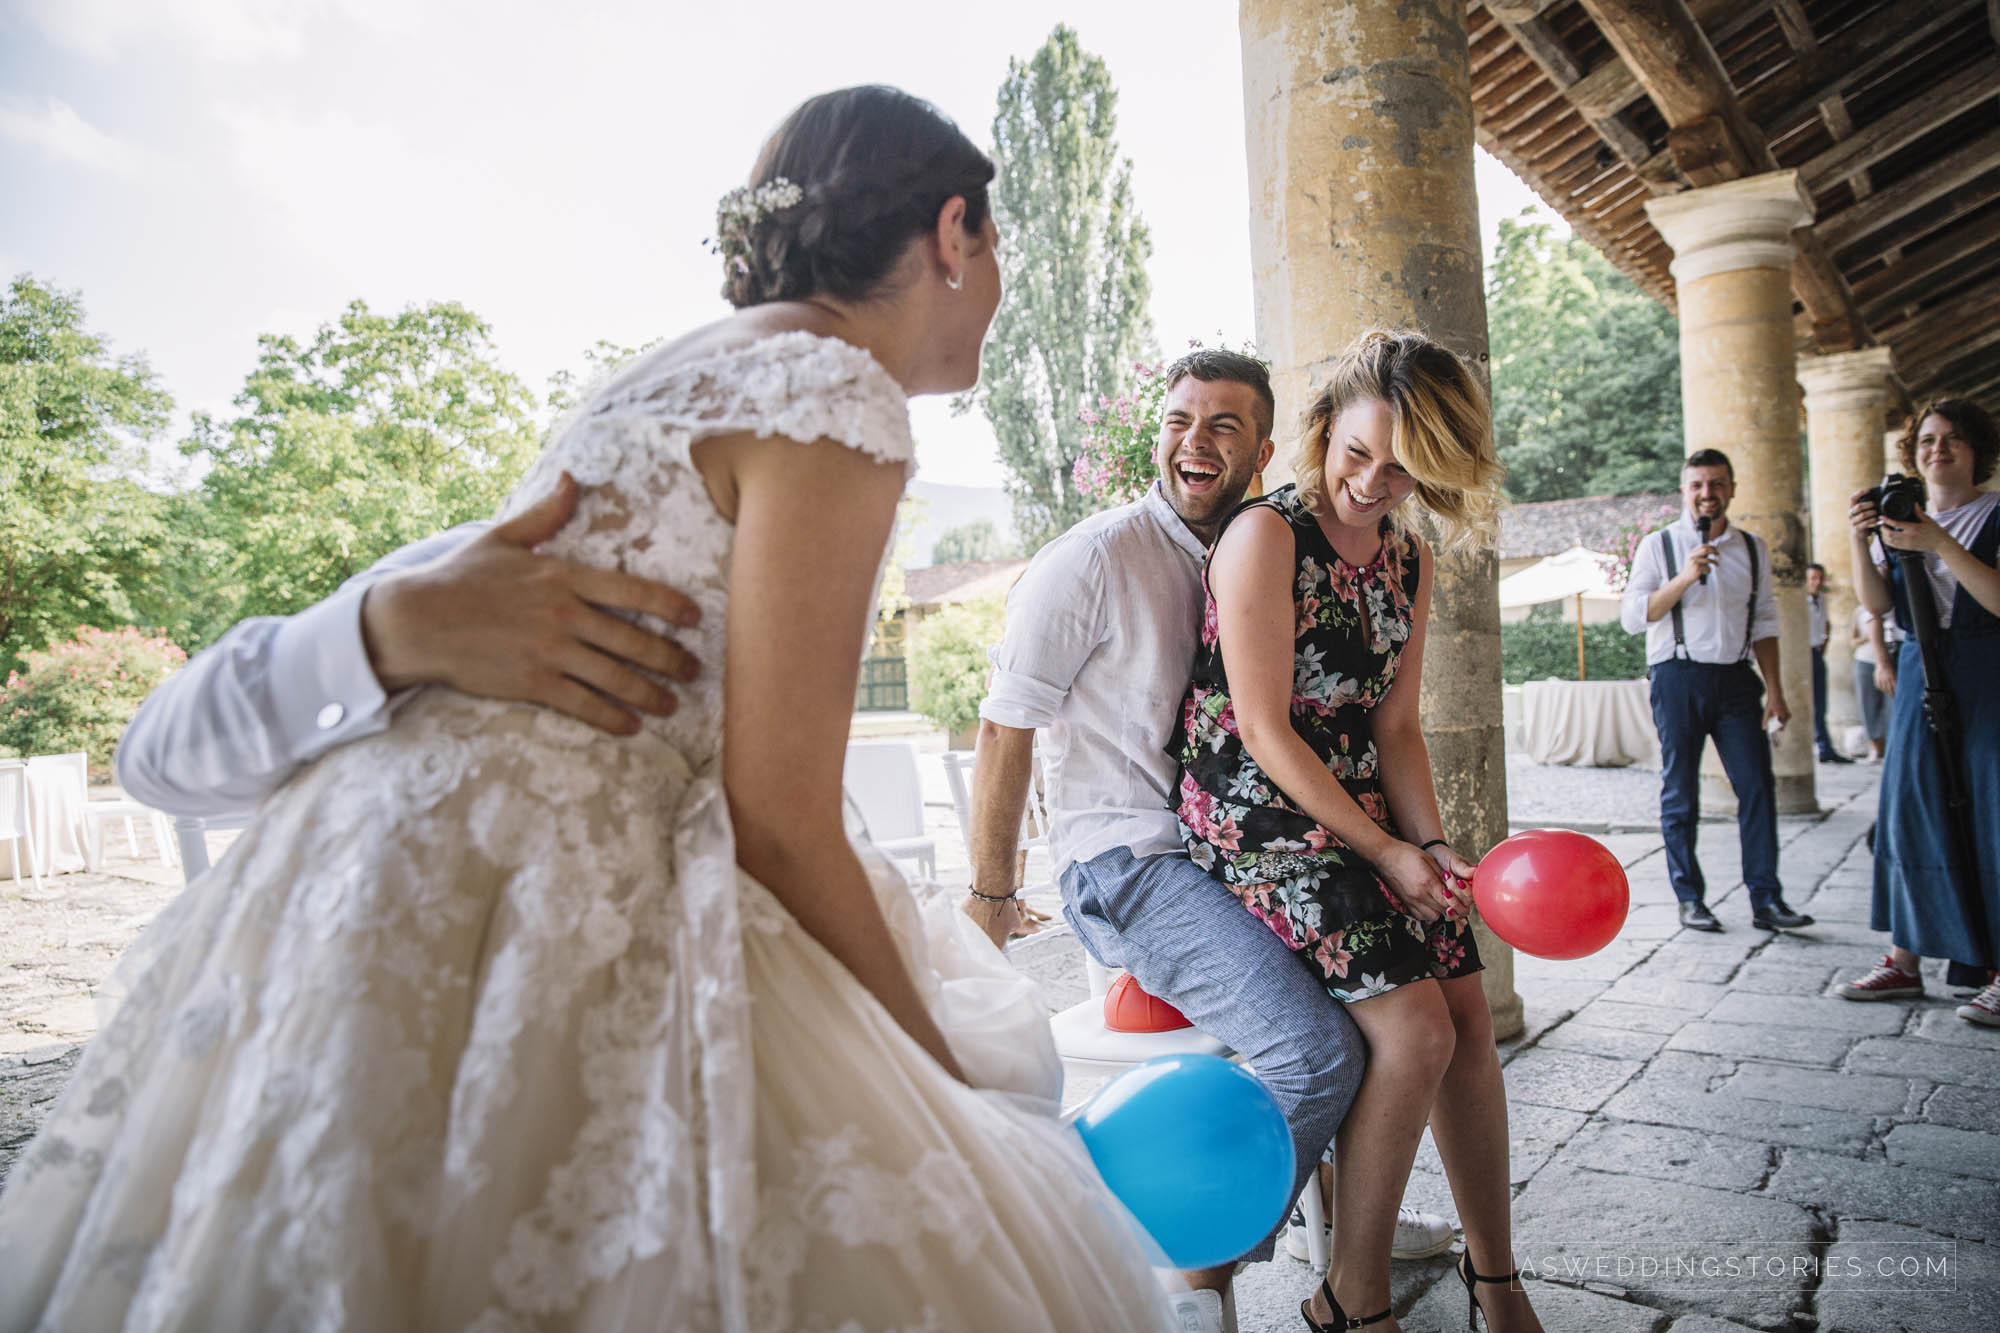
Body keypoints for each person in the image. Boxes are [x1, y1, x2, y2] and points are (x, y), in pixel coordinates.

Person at [0, 86, 1183, 1331]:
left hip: (366, 881)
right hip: (560, 885)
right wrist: (944, 1089)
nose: (994, 289)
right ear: (956, 233)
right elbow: (776, 816)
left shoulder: (657, 379)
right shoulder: (835, 392)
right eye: (995, 249)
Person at [966, 347, 1451, 1333]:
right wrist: (987, 895)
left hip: (1231, 850)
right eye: (1180, 418)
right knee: (1315, 1052)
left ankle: (1354, 1228)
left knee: (1395, 1012)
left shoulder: (1262, 544)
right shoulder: (1094, 556)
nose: (1196, 440)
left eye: (1224, 425)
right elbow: (1003, 723)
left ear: (1265, 449)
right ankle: (1190, 1277)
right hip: (1131, 862)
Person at [1174, 331, 1539, 1333]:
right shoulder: (1265, 536)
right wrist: (1382, 851)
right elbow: (1259, 729)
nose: (1371, 482)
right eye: (1355, 453)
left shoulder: (1409, 558)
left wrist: (1429, 847)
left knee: (1466, 1011)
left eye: (1399, 465)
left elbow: (1393, 726)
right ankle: (1351, 1292)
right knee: (1412, 1027)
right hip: (1255, 813)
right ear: (1324, 427)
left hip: (1361, 812)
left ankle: (1496, 1277)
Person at [1836, 399, 2000, 1028]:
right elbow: (1876, 603)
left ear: (1977, 451)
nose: (1938, 449)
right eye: (1928, 439)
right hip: (1916, 671)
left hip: (1987, 672)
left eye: (1953, 439)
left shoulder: (1992, 514)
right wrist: (1861, 537)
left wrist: (1938, 540)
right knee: (1910, 808)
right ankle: (1904, 959)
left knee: (1991, 808)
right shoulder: (1897, 520)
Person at [1618, 449, 1815, 934]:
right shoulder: (1659, 546)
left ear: (1731, 488)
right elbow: (1632, 617)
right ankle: (1690, 898)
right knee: (1681, 792)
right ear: (1685, 491)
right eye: (1698, 485)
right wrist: (1685, 577)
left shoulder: (1752, 549)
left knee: (1756, 788)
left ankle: (1767, 899)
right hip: (1677, 676)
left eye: (1717, 484)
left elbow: (1766, 621)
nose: (1708, 493)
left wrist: (1775, 691)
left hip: (1736, 680)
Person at [1806, 562, 1853, 763]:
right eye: (1812, 578)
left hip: (1816, 653)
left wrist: (1823, 646)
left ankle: (1825, 747)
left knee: (1820, 703)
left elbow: (1826, 624)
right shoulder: (1798, 601)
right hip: (1802, 655)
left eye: (1819, 578)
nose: (1817, 583)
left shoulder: (1821, 600)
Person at [1849, 603, 1895, 764]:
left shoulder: (1890, 608)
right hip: (1865, 661)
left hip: (1890, 661)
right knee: (1867, 705)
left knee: (1892, 707)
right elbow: (1852, 641)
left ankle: (1892, 748)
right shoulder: (1859, 611)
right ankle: (1874, 748)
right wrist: (1871, 636)